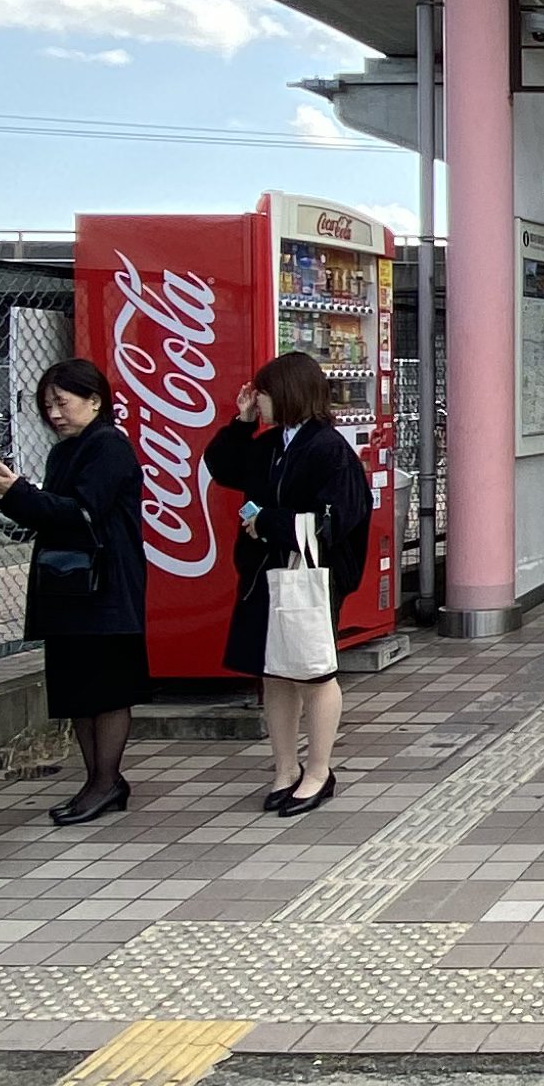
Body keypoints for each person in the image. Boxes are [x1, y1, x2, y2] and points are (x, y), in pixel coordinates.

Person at [0, 355, 149, 827]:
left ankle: (106, 780)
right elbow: (51, 515)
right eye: (47, 405)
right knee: (77, 688)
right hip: (69, 585)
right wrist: (11, 495)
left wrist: (19, 492)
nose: (54, 413)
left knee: (106, 688)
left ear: (95, 401)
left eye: (62, 402)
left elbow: (82, 514)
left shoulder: (108, 446)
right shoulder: (64, 451)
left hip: (106, 585)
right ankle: (96, 780)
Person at [204, 346, 374, 818]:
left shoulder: (328, 449)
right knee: (273, 671)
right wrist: (239, 422)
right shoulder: (270, 443)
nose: (256, 401)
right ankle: (284, 768)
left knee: (315, 671)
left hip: (310, 577)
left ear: (288, 393)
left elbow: (337, 519)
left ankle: (318, 770)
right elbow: (222, 466)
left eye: (262, 394)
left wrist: (272, 524)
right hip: (264, 574)